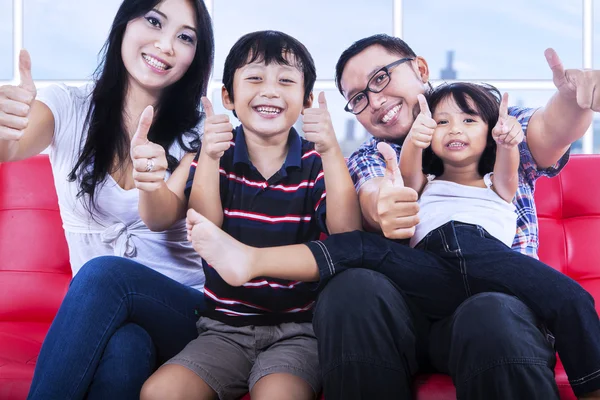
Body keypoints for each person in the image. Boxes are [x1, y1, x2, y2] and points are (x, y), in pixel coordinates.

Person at [184, 34, 599, 400]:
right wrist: (385, 204)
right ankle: (250, 260)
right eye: (359, 98)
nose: (376, 101)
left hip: (497, 305)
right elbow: (375, 194)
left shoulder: (490, 126)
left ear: (419, 68)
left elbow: (546, 133)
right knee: (350, 286)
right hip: (413, 307)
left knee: (489, 313)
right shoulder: (373, 156)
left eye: (381, 78)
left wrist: (573, 99)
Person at [0, 0, 214, 398]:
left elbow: (162, 217)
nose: (166, 44)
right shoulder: (67, 106)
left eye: (185, 37)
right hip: (109, 318)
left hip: (186, 312)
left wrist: (152, 184)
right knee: (125, 350)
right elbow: (12, 147)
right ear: (124, 24)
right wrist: (6, 125)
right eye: (153, 21)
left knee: (103, 273)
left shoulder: (198, 134)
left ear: (195, 57)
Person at [138, 30, 361, 400]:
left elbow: (347, 234)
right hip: (222, 329)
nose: (271, 90)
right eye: (255, 78)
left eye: (286, 81)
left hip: (298, 332)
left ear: (306, 100)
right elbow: (204, 228)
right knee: (160, 392)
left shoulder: (315, 162)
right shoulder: (213, 156)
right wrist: (208, 158)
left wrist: (331, 149)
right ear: (228, 96)